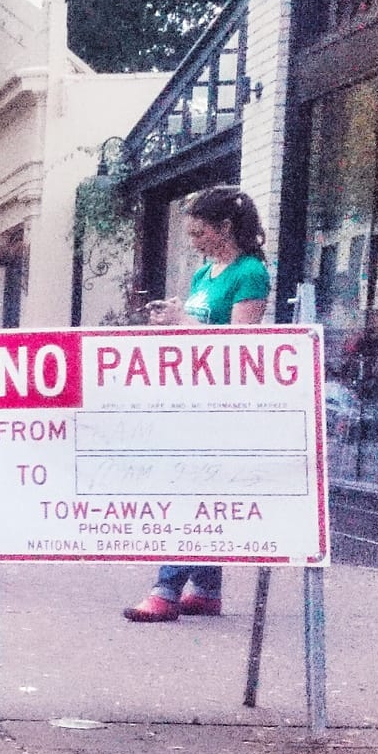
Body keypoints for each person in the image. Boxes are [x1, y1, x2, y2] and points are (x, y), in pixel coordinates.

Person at [123, 186, 272, 623]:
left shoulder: (250, 273)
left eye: (199, 232)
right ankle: (206, 588)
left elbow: (241, 342)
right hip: (194, 394)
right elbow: (195, 330)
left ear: (225, 227)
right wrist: (170, 323)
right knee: (201, 486)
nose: (193, 241)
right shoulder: (204, 274)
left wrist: (182, 320)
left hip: (222, 399)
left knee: (190, 488)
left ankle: (166, 588)